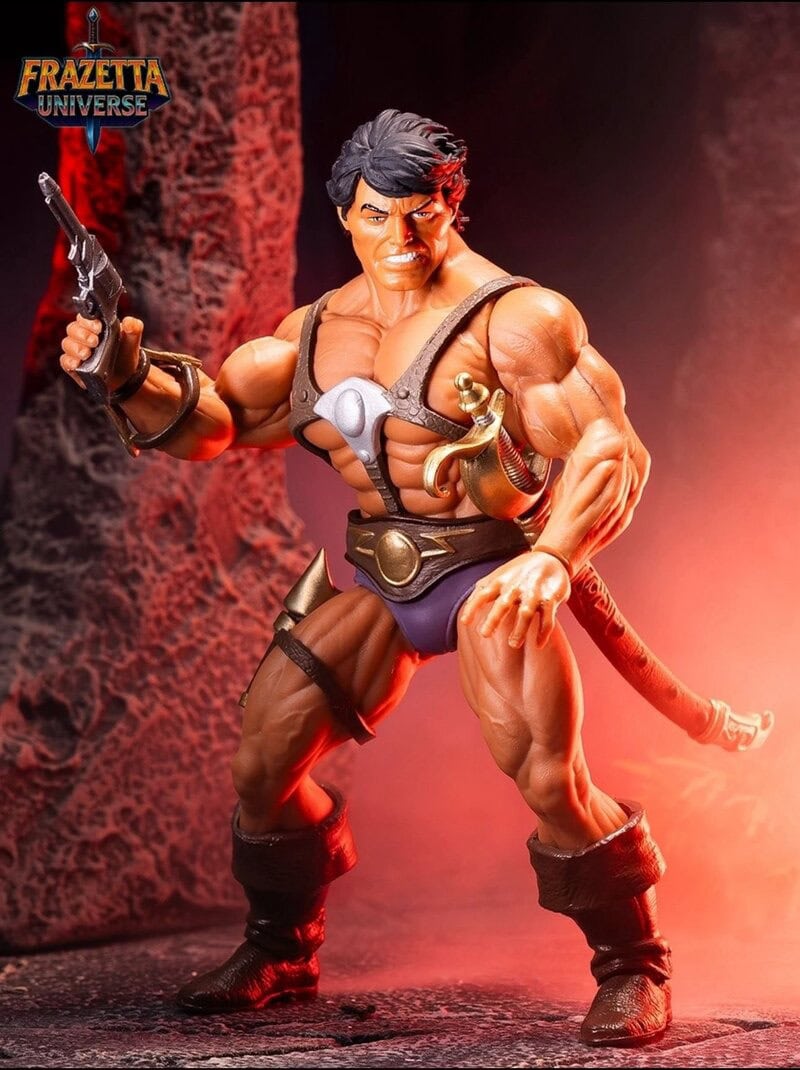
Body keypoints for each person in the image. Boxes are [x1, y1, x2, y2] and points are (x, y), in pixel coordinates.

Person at [60, 109, 670, 1047]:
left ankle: (635, 965)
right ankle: (284, 947)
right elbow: (218, 424)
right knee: (264, 763)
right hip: (383, 580)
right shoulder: (314, 334)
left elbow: (609, 446)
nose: (401, 237)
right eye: (378, 214)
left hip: (488, 574)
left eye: (422, 211)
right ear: (345, 214)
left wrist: (553, 558)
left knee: (549, 780)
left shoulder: (517, 319)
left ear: (452, 204)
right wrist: (125, 373)